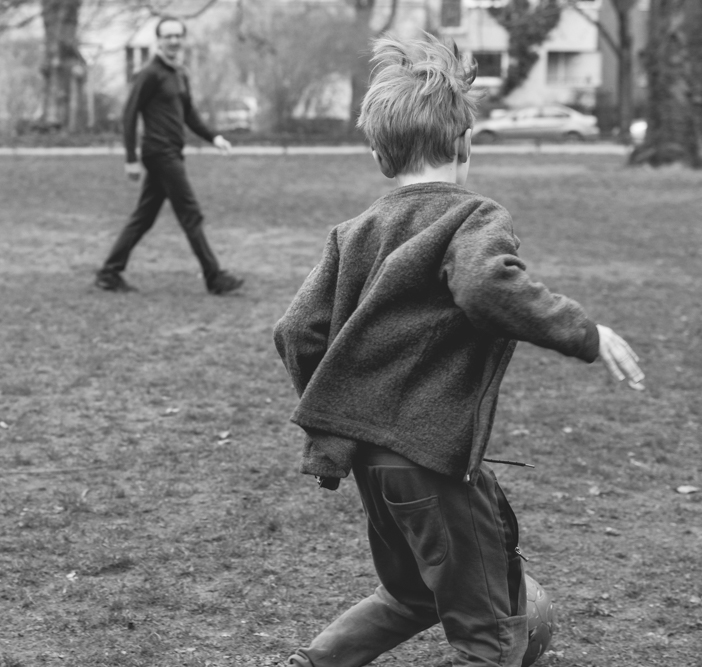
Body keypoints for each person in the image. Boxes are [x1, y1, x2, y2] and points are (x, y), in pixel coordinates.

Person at [272, 33, 645, 667]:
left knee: (412, 593)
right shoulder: (473, 217)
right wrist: (587, 333)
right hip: (431, 462)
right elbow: (483, 284)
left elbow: (296, 332)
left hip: (371, 462)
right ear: (464, 143)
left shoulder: (353, 231)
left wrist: (346, 408)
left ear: (377, 153)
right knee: (490, 638)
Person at [94, 16, 244, 295]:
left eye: (178, 35)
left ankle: (108, 272)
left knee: (144, 217)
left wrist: (214, 137)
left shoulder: (179, 73)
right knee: (191, 214)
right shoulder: (150, 73)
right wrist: (130, 158)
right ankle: (214, 277)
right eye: (168, 36)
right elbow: (129, 115)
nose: (174, 40)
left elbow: (189, 114)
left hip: (171, 152)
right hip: (159, 153)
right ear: (159, 40)